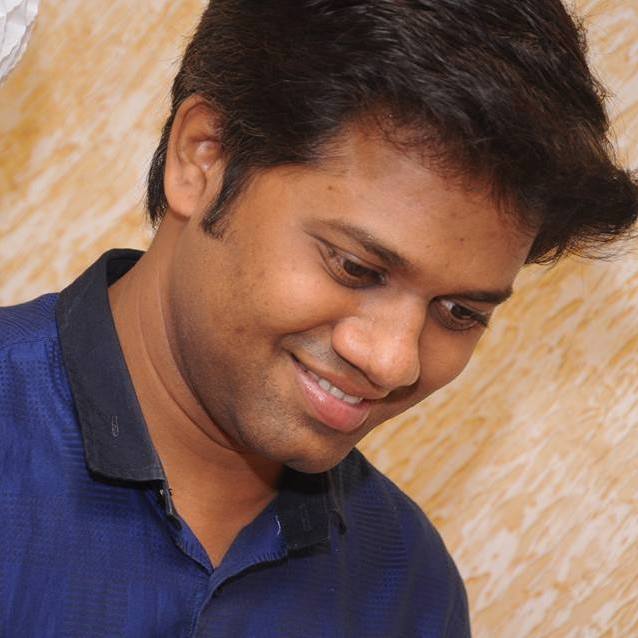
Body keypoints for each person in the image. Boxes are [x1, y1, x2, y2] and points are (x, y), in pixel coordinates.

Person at [1, 1, 636, 636]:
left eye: (459, 312)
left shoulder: (408, 592)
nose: (393, 361)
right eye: (356, 267)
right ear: (203, 157)